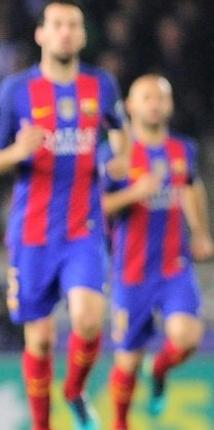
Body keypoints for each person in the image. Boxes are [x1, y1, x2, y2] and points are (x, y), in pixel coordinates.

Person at [0, 1, 130, 429]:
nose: (65, 32)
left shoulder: (102, 85)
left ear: (82, 36)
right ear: (40, 34)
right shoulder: (15, 89)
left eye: (74, 26)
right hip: (32, 232)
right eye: (57, 25)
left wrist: (117, 158)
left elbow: (121, 138)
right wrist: (18, 151)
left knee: (87, 319)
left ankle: (75, 389)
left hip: (84, 228)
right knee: (41, 340)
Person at [102, 75, 211, 430]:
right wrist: (135, 193)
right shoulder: (116, 155)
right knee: (127, 363)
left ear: (170, 105)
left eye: (161, 97)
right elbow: (94, 207)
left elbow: (191, 188)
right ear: (130, 106)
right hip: (131, 272)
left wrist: (200, 232)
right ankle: (120, 424)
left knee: (188, 337)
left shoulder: (183, 150)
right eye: (146, 97)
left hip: (173, 267)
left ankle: (160, 369)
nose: (154, 103)